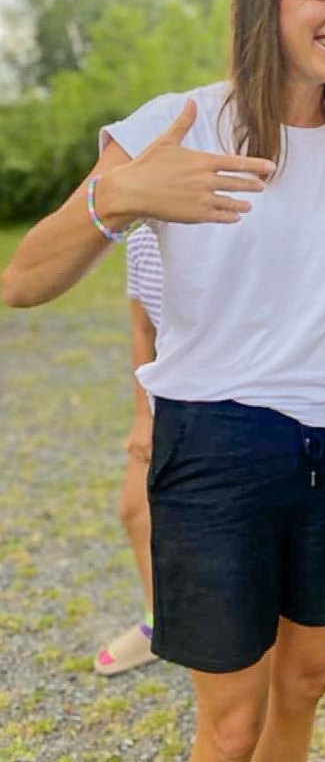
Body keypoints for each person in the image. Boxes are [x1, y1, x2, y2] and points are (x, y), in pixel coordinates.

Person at [2, 0, 325, 762]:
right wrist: (118, 198)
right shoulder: (181, 121)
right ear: (264, 1)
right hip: (216, 445)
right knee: (231, 724)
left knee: (304, 689)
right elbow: (24, 280)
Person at [94, 223, 162, 676]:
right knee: (135, 511)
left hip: (225, 404)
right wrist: (144, 415)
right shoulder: (140, 240)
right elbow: (142, 328)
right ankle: (162, 625)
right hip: (166, 399)